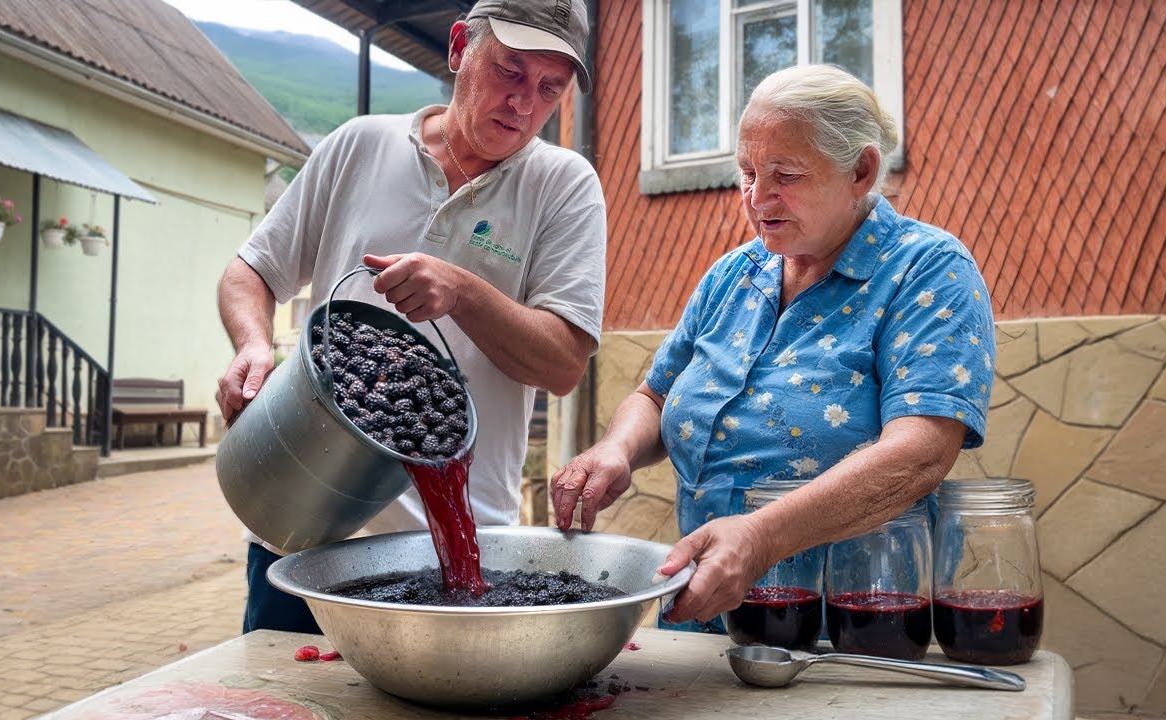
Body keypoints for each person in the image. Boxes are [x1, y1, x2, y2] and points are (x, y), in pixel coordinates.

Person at [550, 64, 995, 632]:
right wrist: (616, 449)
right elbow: (655, 396)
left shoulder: (926, 269)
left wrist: (760, 538)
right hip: (706, 617)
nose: (759, 197)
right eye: (747, 172)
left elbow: (921, 453)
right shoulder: (735, 274)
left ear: (861, 171)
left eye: (785, 174)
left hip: (854, 628)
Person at [215, 0, 606, 634]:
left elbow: (563, 364)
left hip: (455, 552)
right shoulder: (358, 145)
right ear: (459, 49)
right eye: (510, 70)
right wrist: (252, 346)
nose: (524, 103)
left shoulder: (565, 186)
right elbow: (250, 272)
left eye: (549, 89)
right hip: (304, 529)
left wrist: (465, 292)